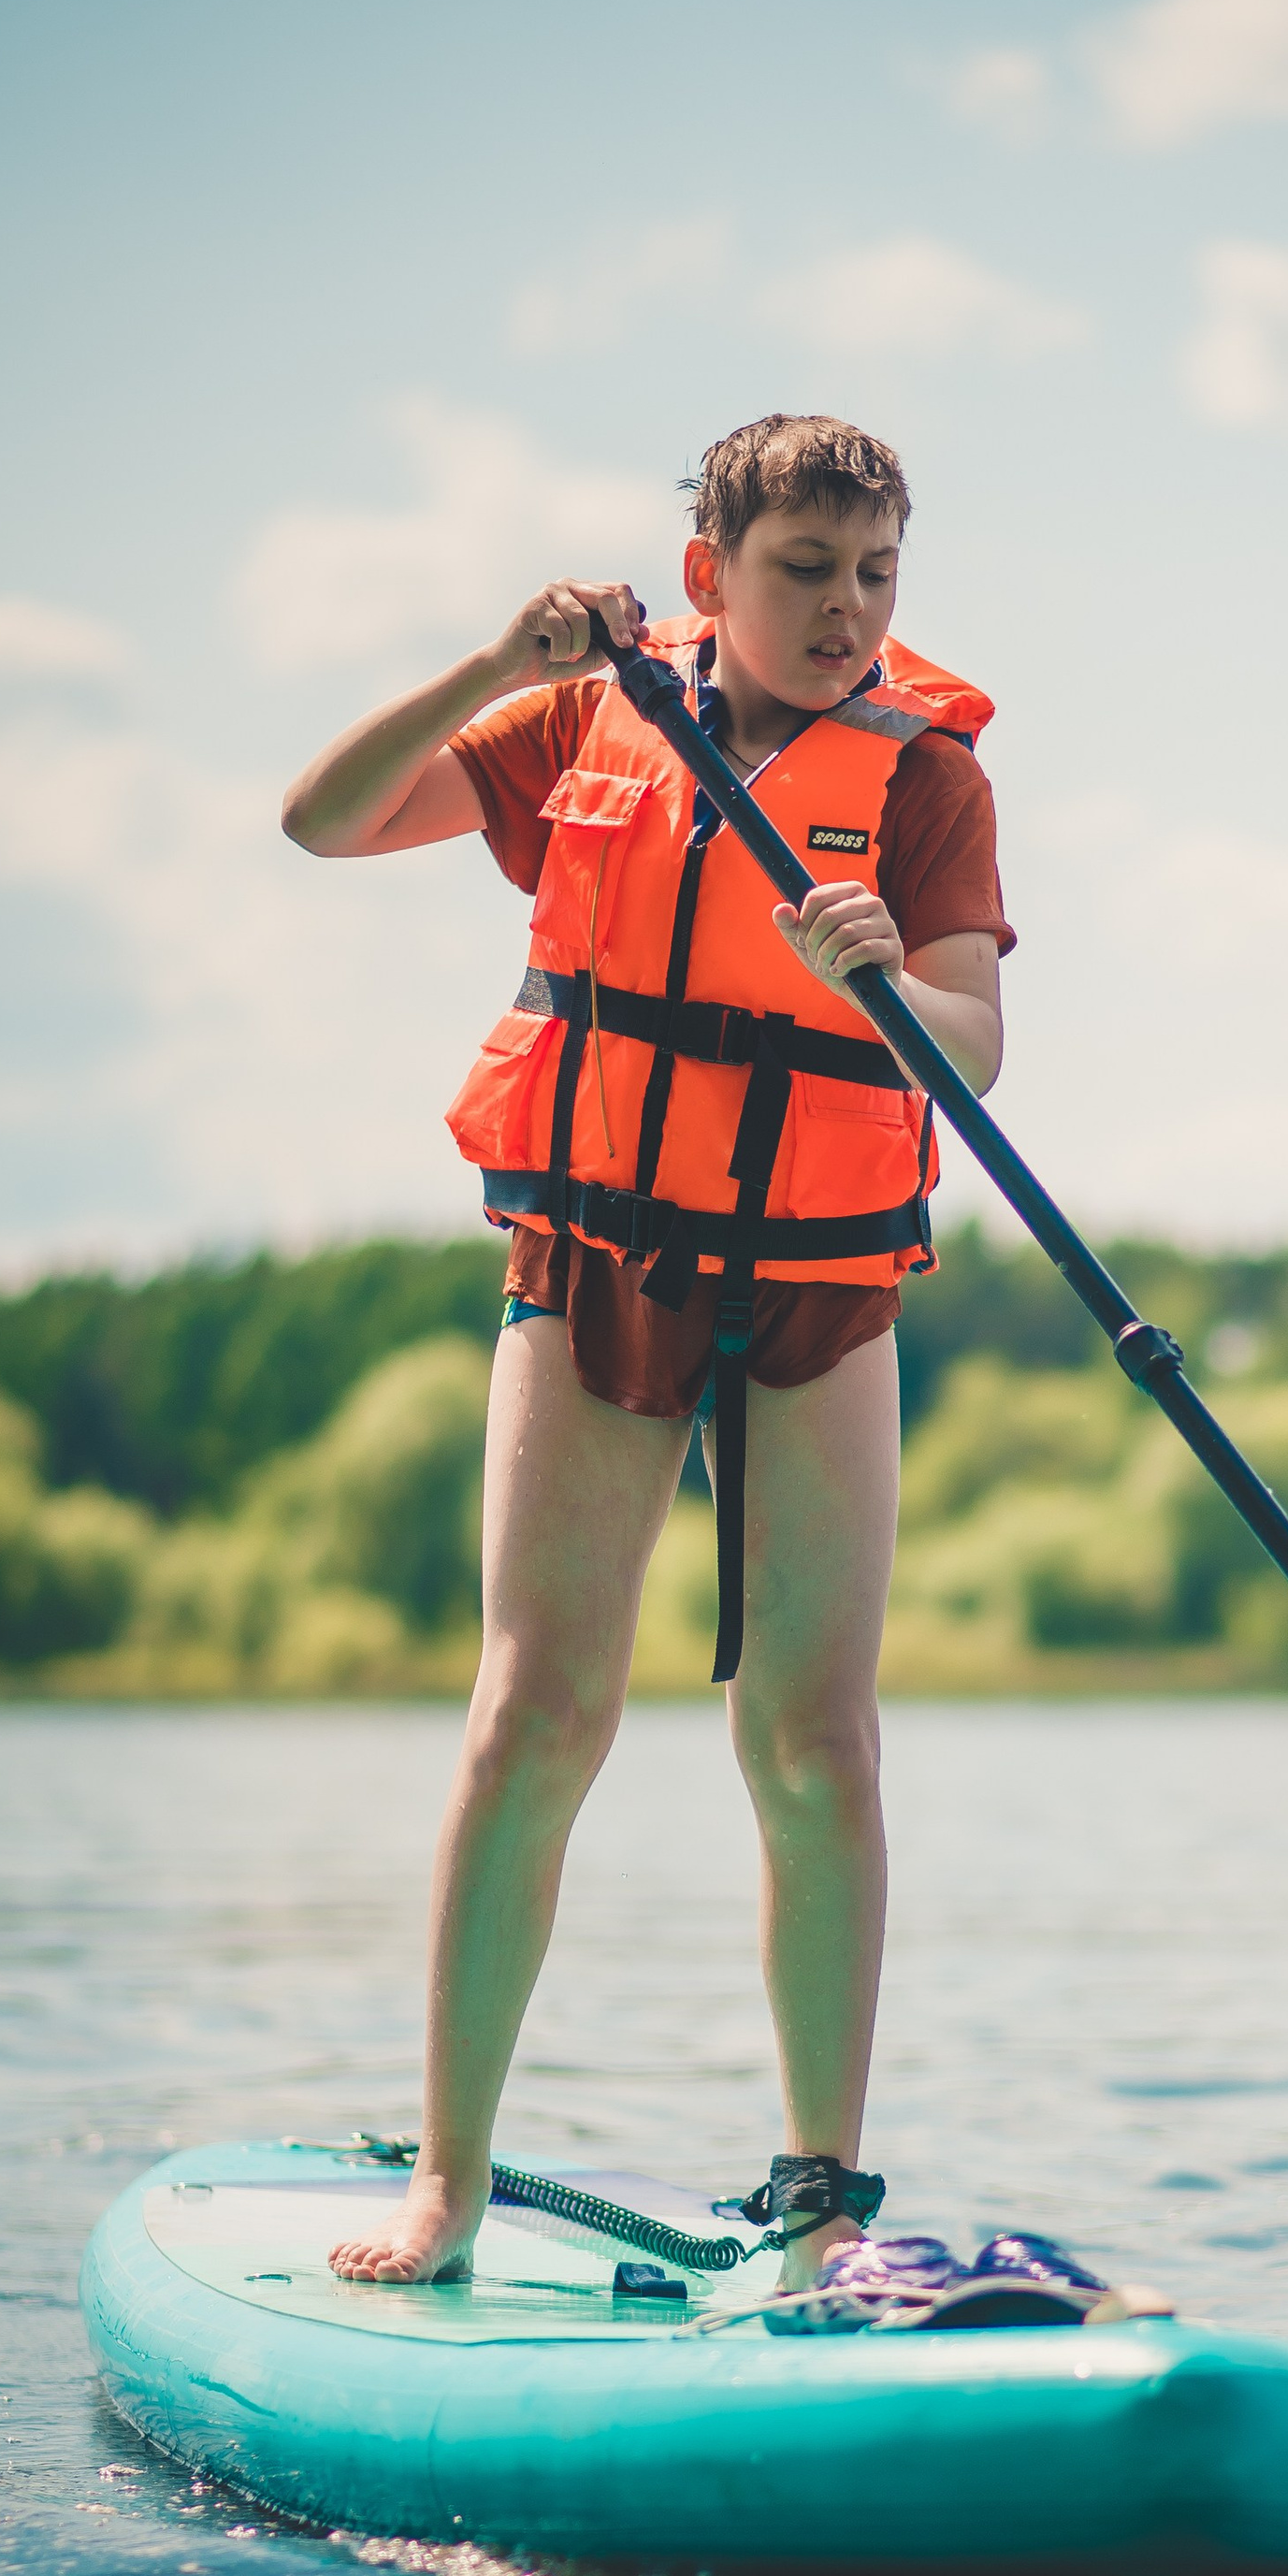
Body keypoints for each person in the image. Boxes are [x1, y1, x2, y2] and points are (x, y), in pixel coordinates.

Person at [280, 414, 1007, 2291]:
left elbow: (975, 1047)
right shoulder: (591, 715)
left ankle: (819, 2205)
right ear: (707, 574)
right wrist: (490, 666)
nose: (847, 609)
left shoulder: (923, 778)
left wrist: (888, 979)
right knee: (539, 1710)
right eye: (804, 570)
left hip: (817, 1279)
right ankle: (447, 2182)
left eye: (875, 575)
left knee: (813, 1739)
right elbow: (325, 818)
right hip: (602, 1254)